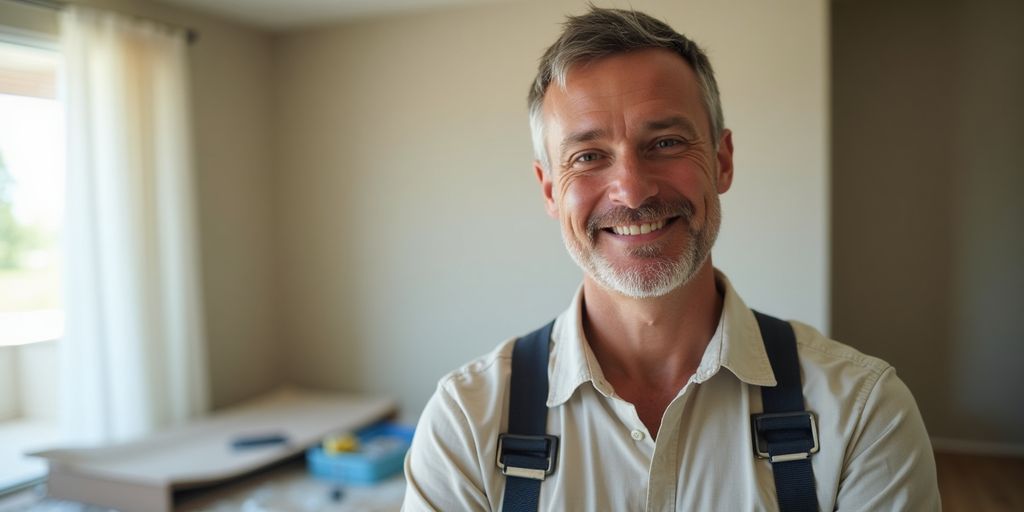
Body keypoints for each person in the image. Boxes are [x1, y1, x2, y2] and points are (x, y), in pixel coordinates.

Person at [402, 6, 940, 511]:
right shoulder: (465, 424)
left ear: (722, 161)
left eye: (665, 143)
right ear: (549, 191)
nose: (632, 192)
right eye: (588, 157)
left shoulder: (865, 412)